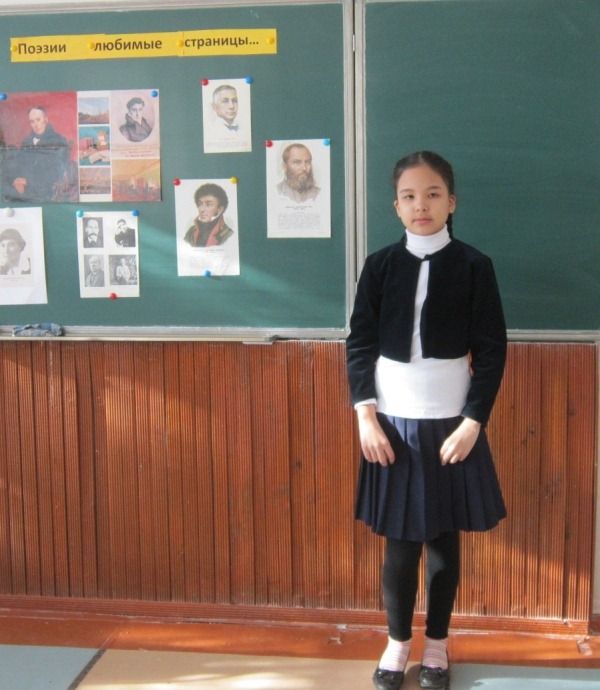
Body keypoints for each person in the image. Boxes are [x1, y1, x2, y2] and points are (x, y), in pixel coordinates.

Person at [346, 151, 507, 690]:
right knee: (399, 544)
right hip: (392, 425)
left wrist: (473, 422)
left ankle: (437, 643)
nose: (422, 205)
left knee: (442, 542)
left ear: (451, 202)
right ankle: (397, 643)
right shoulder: (379, 266)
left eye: (433, 194)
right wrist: (365, 416)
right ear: (396, 206)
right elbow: (359, 343)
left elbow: (492, 351)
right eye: (410, 196)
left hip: (451, 426)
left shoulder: (474, 266)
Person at [8, 106, 73, 203]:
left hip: (47, 192)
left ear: (46, 120)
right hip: (23, 190)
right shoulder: (26, 141)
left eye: (38, 120)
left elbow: (56, 172)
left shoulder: (59, 141)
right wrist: (16, 179)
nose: (36, 125)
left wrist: (28, 181)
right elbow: (18, 165)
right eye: (32, 121)